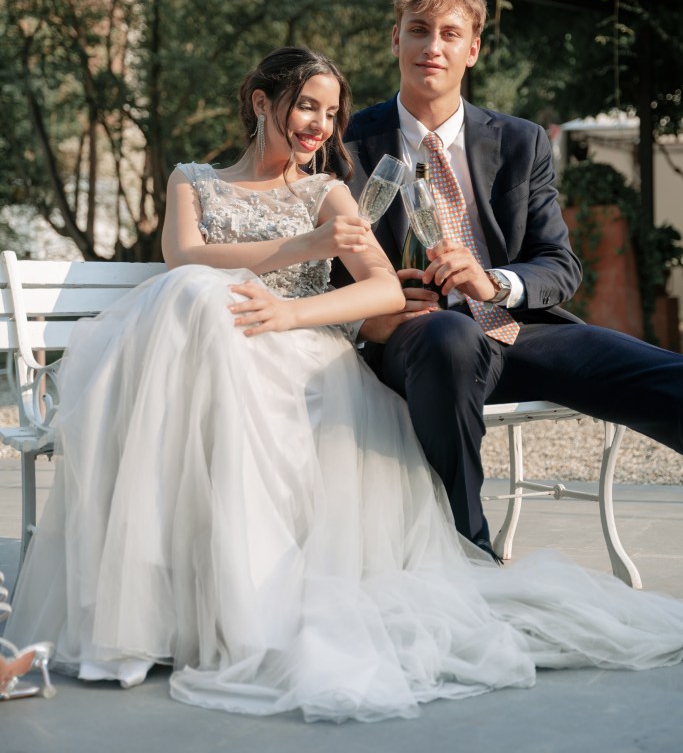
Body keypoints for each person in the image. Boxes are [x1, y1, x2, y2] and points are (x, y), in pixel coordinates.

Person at [6, 45, 683, 724]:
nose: (320, 126)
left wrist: (290, 311)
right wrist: (308, 247)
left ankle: (244, 605)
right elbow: (186, 255)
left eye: (331, 113)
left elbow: (386, 287)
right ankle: (174, 608)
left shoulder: (328, 191)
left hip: (300, 351)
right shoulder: (192, 180)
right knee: (195, 294)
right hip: (209, 357)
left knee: (209, 309)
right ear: (261, 103)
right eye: (306, 106)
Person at [336, 0, 683, 558]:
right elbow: (317, 266)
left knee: (663, 376)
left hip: (515, 331)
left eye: (450, 33)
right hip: (413, 339)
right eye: (418, 31)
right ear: (395, 39)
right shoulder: (345, 142)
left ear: (472, 49)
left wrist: (494, 281)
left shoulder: (522, 142)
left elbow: (559, 265)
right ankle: (470, 555)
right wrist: (363, 319)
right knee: (446, 333)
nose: (433, 47)